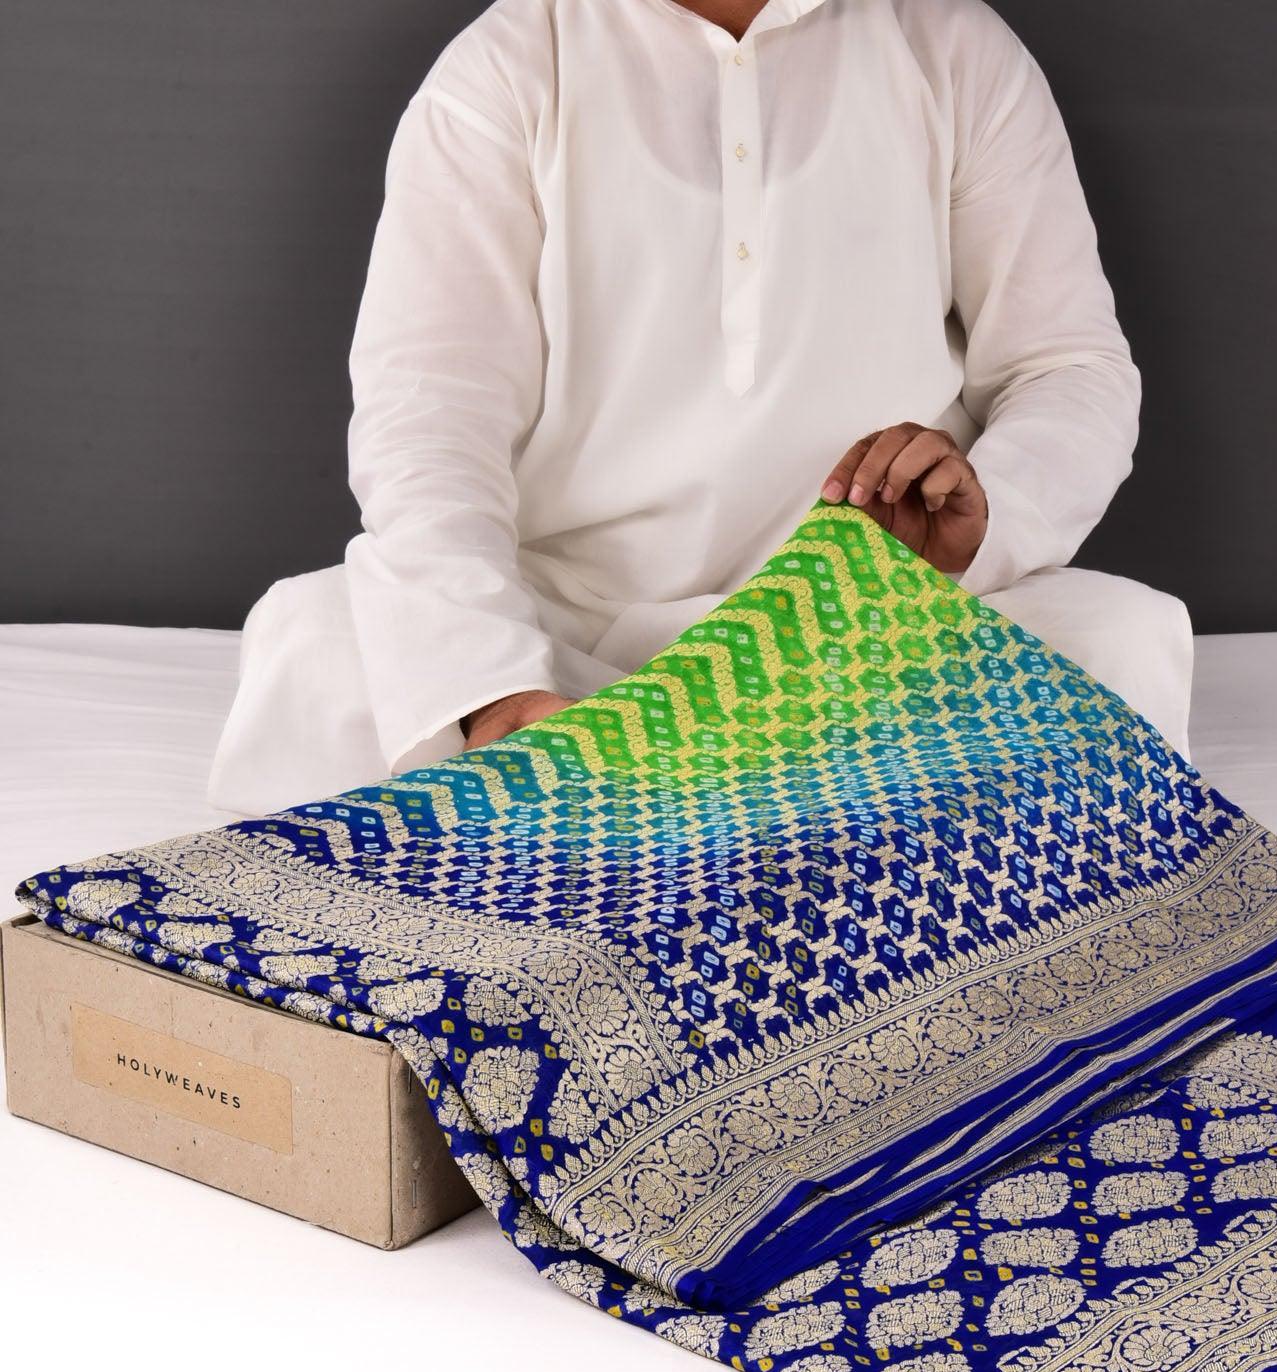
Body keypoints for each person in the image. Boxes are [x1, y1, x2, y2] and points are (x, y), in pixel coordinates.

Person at [207, 0, 1194, 818]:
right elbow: (429, 416)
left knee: (1120, 644)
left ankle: (649, 852)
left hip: (869, 636)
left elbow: (1069, 366)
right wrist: (496, 689)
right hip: (576, 641)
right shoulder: (512, 62)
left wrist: (985, 520)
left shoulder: (951, 44)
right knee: (316, 646)